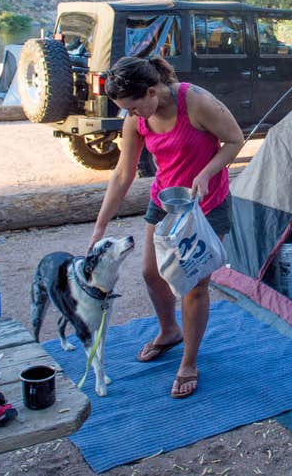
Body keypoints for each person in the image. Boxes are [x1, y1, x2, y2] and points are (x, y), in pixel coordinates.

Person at [89, 56, 243, 399]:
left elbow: (235, 139)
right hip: (166, 200)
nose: (132, 116)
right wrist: (100, 226)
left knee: (194, 286)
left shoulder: (196, 102)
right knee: (150, 272)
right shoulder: (137, 120)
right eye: (125, 110)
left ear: (152, 90)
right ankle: (169, 330)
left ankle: (189, 361)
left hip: (206, 205)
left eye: (133, 107)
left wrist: (207, 172)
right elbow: (122, 174)